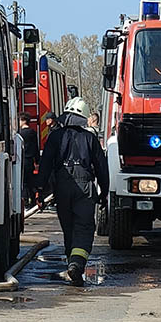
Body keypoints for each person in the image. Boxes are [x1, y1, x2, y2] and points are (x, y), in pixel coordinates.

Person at [38, 96, 109, 286]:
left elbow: (45, 166)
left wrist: (39, 191)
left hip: (62, 186)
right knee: (84, 228)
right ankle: (76, 264)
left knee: (69, 229)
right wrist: (104, 192)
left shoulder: (55, 137)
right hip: (84, 188)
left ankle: (72, 263)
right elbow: (102, 167)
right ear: (84, 117)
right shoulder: (90, 138)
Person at [16, 115, 41, 206]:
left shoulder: (19, 134)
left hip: (21, 159)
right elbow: (36, 148)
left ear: (23, 121)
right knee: (30, 180)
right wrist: (37, 161)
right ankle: (34, 199)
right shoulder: (33, 133)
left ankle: (25, 200)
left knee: (23, 181)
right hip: (30, 160)